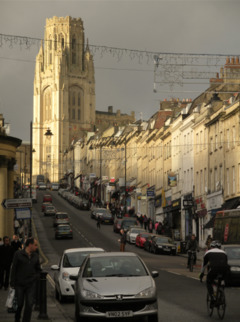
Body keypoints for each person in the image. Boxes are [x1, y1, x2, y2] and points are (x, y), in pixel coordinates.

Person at [10, 237, 41, 322]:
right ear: (30, 245)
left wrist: (36, 276)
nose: (36, 247)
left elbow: (38, 269)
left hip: (30, 284)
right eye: (35, 245)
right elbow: (14, 268)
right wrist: (12, 282)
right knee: (19, 304)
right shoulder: (18, 254)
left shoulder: (35, 255)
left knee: (29, 305)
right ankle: (17, 319)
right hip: (19, 284)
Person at [199, 240, 228, 306]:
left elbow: (204, 265)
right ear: (220, 247)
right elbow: (226, 263)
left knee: (209, 281)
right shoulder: (224, 253)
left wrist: (202, 273)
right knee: (222, 281)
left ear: (211, 246)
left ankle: (212, 297)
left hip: (214, 269)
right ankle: (221, 295)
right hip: (224, 270)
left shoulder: (208, 252)